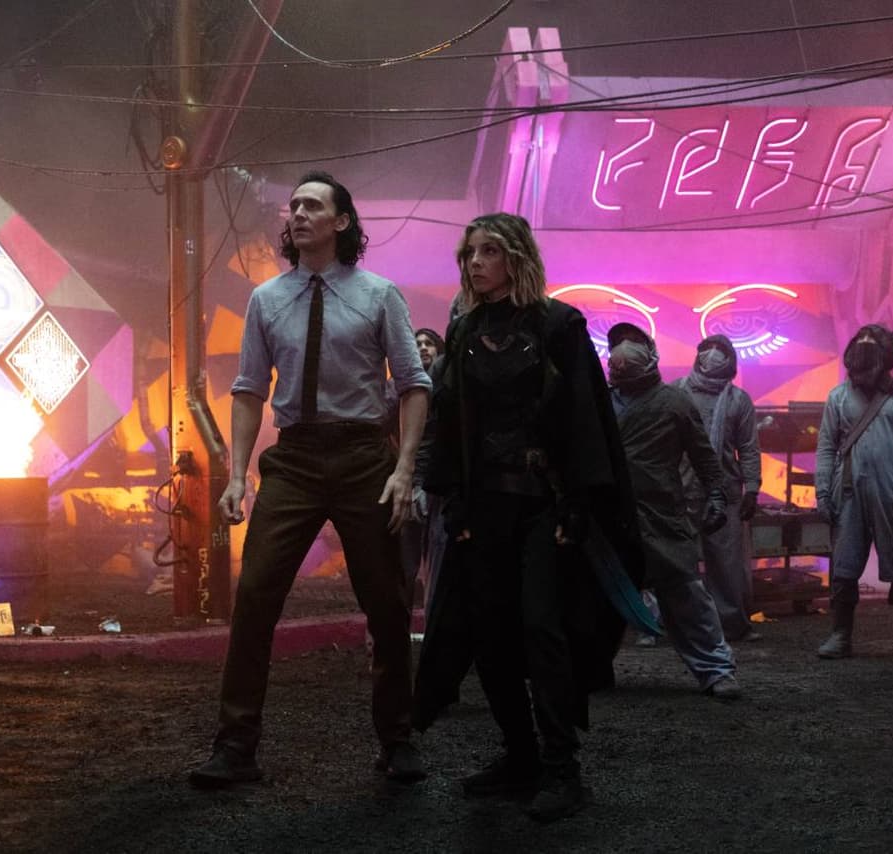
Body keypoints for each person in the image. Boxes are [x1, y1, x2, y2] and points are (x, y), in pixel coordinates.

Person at [189, 171, 431, 788]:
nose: (297, 213)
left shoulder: (379, 295)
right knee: (255, 597)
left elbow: (414, 385)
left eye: (312, 206)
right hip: (294, 460)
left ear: (341, 222)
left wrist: (404, 469)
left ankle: (397, 740)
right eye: (294, 205)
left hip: (363, 457)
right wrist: (237, 476)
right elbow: (249, 389)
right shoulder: (267, 299)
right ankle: (235, 747)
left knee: (386, 602)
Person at [415, 212, 642, 823]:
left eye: (489, 251)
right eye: (469, 253)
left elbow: (583, 419)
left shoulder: (558, 325)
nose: (475, 262)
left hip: (543, 504)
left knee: (543, 631)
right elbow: (452, 420)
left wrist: (576, 504)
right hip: (483, 507)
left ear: (516, 256)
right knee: (489, 633)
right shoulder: (464, 330)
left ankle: (562, 767)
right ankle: (519, 756)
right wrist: (454, 501)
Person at [606, 322, 741, 700]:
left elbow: (704, 458)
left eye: (633, 342)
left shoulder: (675, 403)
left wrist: (717, 496)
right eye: (619, 343)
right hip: (610, 517)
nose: (625, 348)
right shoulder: (599, 402)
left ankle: (716, 669)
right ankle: (591, 668)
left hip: (661, 515)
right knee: (600, 597)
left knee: (687, 595)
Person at [814, 325, 893, 661]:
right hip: (848, 492)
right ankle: (840, 635)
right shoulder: (838, 397)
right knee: (844, 565)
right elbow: (826, 447)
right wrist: (823, 492)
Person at [674, 335, 762, 642]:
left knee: (726, 565)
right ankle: (682, 624)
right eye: (707, 349)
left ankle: (731, 624)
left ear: (731, 360)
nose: (712, 355)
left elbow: (748, 448)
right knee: (679, 561)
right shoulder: (675, 393)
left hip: (726, 494)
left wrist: (752, 488)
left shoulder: (739, 400)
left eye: (720, 350)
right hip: (681, 491)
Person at [397, 328, 445, 612]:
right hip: (408, 482)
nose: (423, 348)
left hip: (439, 485)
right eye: (417, 344)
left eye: (429, 343)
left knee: (439, 563)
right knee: (404, 563)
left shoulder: (449, 388)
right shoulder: (399, 388)